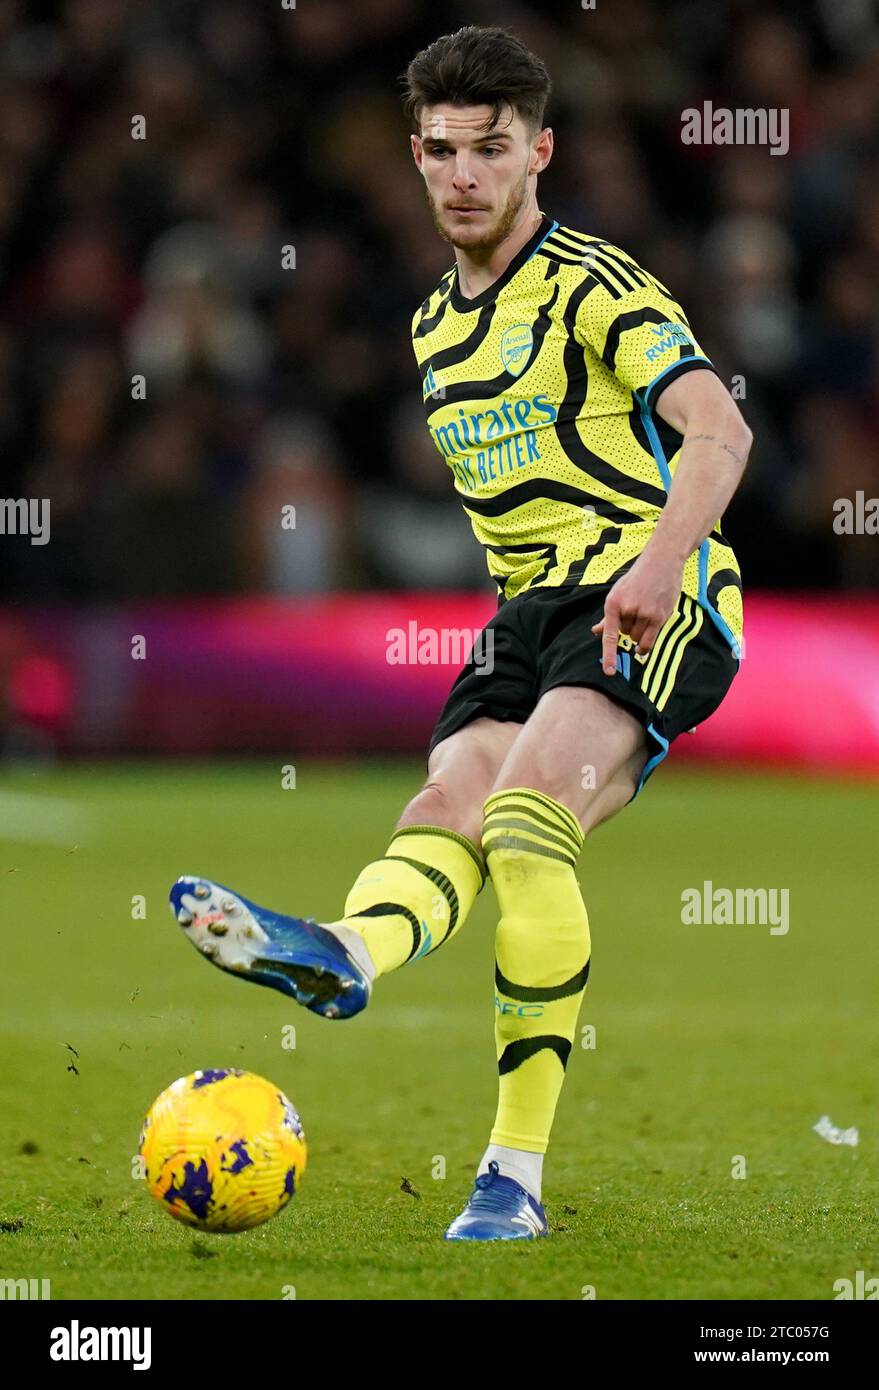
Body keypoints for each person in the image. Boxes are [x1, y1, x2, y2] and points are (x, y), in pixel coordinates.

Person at [170, 24, 752, 1242]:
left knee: (531, 824)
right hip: (529, 614)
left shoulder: (598, 281)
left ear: (540, 151)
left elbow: (719, 432)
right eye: (443, 152)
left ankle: (514, 1179)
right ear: (419, 159)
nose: (467, 175)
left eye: (494, 149)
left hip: (658, 591)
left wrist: (655, 565)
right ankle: (344, 952)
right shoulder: (435, 328)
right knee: (447, 810)